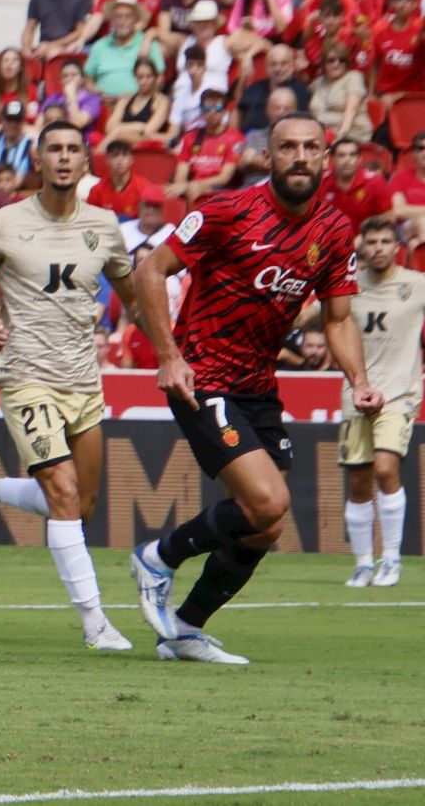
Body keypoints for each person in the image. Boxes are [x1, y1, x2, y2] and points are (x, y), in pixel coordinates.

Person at [130, 111, 377, 664]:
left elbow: (337, 319)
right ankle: (157, 557)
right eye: (287, 147)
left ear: (326, 156)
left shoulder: (334, 231)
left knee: (264, 526)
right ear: (268, 157)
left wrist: (359, 381)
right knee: (269, 500)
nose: (299, 156)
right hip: (202, 375)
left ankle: (186, 628)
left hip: (258, 386)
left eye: (311, 147)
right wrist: (168, 357)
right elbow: (150, 271)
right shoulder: (226, 210)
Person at [0, 121, 140, 652]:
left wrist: (171, 354)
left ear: (85, 163)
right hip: (24, 375)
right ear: (38, 159)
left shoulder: (105, 226)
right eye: (52, 148)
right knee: (63, 491)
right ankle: (95, 623)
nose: (62, 157)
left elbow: (137, 300)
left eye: (72, 149)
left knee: (81, 506)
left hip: (83, 379)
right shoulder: (2, 224)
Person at [341, 218, 420, 588]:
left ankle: (391, 559)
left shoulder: (416, 285)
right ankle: (362, 563)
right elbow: (314, 318)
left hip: (399, 395)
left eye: (385, 241)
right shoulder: (348, 288)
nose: (378, 248)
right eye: (371, 241)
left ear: (396, 247)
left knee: (386, 468)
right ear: (362, 247)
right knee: (358, 480)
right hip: (355, 394)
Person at [318, 139, 392, 228]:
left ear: (359, 159)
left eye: (352, 155)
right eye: (341, 155)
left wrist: (365, 236)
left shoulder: (375, 182)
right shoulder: (321, 182)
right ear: (332, 159)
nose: (347, 160)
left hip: (364, 239)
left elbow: (388, 217)